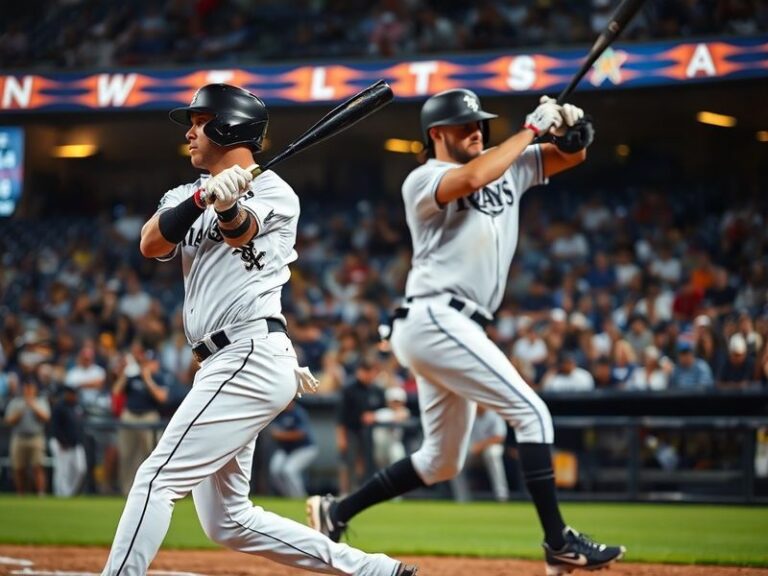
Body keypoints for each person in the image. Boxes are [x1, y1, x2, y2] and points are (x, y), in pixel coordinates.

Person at [101, 83, 417, 576]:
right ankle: (372, 570)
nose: (189, 132)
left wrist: (227, 205)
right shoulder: (184, 192)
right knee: (227, 520)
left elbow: (241, 231)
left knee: (157, 477)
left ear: (228, 127)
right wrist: (207, 195)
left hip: (250, 353)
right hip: (222, 362)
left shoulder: (275, 192)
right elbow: (149, 242)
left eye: (200, 122)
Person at [307, 89, 625, 575]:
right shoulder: (423, 178)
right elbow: (477, 175)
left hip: (456, 324)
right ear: (437, 134)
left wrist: (570, 130)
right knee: (533, 414)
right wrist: (534, 129)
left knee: (440, 462)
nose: (477, 129)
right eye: (465, 125)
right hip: (436, 316)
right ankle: (558, 542)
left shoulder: (510, 164)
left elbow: (572, 156)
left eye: (480, 123)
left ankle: (336, 511)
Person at [112, 339, 171, 496]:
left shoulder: (158, 377)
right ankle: (127, 492)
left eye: (150, 360)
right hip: (130, 416)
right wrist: (126, 374)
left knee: (151, 455)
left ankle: (151, 490)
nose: (147, 363)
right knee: (127, 455)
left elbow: (162, 398)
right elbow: (116, 392)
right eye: (145, 360)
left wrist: (147, 379)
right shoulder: (133, 375)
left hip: (149, 417)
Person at [450, 404, 510, 502]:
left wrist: (481, 446)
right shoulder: (468, 414)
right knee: (455, 460)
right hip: (471, 451)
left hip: (488, 450)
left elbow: (499, 437)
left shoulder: (494, 415)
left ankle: (501, 496)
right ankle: (462, 498)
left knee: (492, 453)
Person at [4, 380, 50, 495]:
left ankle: (40, 493)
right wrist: (23, 409)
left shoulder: (40, 401)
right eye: (26, 388)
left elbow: (46, 417)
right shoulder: (16, 402)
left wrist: (33, 406)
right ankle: (21, 493)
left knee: (38, 466)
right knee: (19, 468)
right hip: (19, 437)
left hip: (36, 437)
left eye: (31, 388)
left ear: (35, 390)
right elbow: (8, 420)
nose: (28, 391)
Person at [269, 400, 319, 498]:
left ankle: (299, 497)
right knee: (274, 470)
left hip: (304, 449)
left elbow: (301, 434)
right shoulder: (279, 412)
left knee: (289, 470)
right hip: (286, 449)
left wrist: (282, 435)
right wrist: (279, 435)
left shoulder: (299, 412)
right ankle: (287, 496)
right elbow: (272, 431)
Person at [50, 382, 87, 497]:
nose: (74, 396)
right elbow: (54, 427)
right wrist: (61, 441)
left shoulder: (76, 406)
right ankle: (60, 494)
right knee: (62, 470)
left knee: (81, 469)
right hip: (61, 443)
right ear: (66, 394)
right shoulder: (59, 407)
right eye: (72, 393)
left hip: (75, 443)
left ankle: (70, 493)